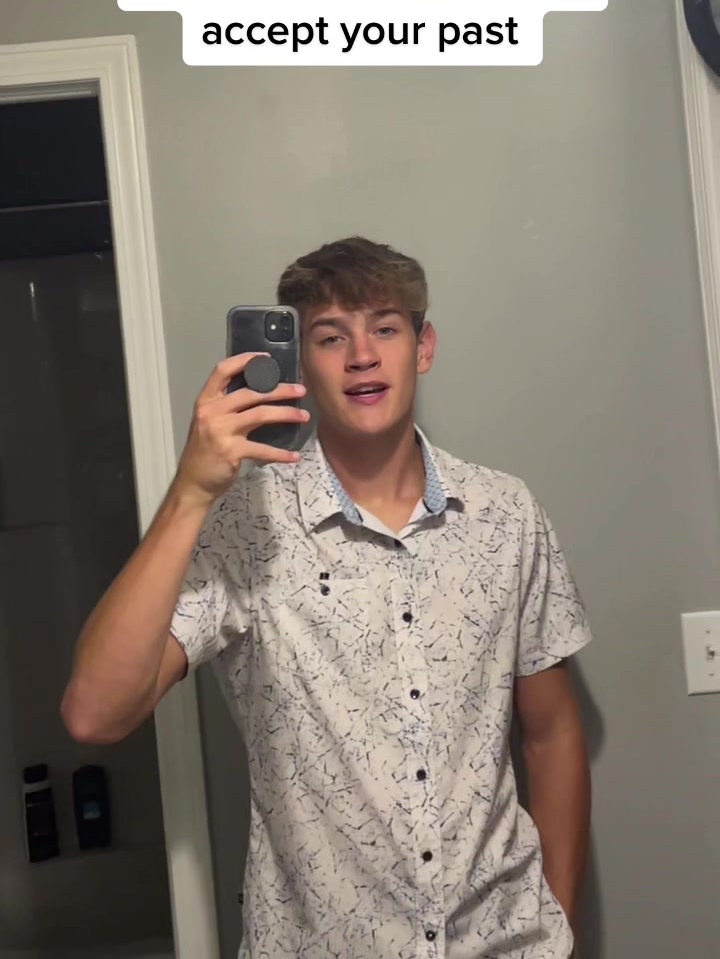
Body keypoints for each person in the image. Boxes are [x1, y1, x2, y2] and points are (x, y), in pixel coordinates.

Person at [62, 235, 592, 959]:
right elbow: (96, 713)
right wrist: (190, 493)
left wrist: (560, 931)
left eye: (385, 328)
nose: (362, 356)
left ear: (423, 347)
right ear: (300, 366)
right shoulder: (245, 523)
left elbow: (553, 733)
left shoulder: (506, 515)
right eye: (331, 337)